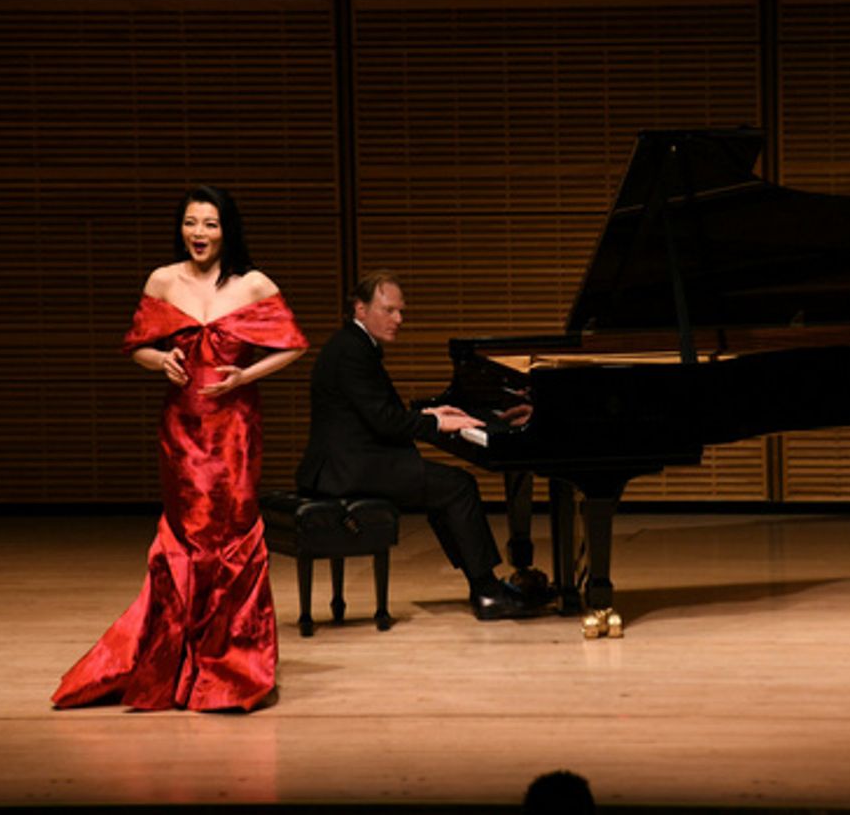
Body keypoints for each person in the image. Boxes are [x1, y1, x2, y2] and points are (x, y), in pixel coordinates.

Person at [52, 185, 308, 712]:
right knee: (185, 539)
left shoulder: (253, 283)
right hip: (181, 429)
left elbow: (294, 345)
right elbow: (136, 346)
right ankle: (176, 657)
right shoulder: (163, 280)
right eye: (192, 223)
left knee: (233, 537)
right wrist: (160, 361)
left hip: (234, 429)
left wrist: (243, 375)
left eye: (210, 224)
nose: (199, 233)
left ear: (227, 229)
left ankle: (232, 663)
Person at [296, 269, 537, 620]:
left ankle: (482, 584)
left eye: (401, 311)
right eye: (389, 310)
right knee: (458, 486)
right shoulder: (352, 351)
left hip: (350, 462)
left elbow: (380, 411)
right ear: (360, 309)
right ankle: (486, 591)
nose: (398, 319)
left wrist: (431, 411)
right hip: (350, 470)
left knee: (444, 488)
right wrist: (437, 422)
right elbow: (385, 422)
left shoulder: (352, 344)